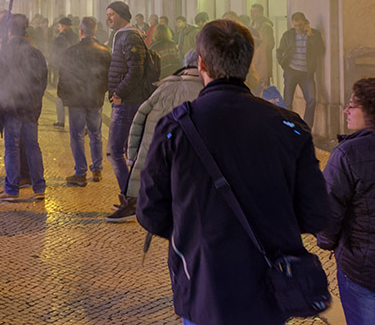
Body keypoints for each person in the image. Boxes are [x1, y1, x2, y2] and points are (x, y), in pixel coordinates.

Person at [137, 20, 329, 325]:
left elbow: (149, 212)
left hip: (204, 286)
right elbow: (317, 214)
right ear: (249, 64)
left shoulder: (176, 127)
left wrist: (195, 230)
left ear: (201, 64)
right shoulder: (288, 126)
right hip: (269, 287)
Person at [317, 78, 375, 325]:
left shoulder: (348, 154)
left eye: (351, 105)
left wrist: (328, 243)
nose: (345, 111)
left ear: (371, 110)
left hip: (365, 275)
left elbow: (326, 214)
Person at [125, 51, 203, 208]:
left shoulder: (165, 88)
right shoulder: (207, 92)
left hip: (154, 162)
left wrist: (133, 157)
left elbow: (138, 120)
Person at [0, 14, 48, 201]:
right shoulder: (36, 53)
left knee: (12, 148)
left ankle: (12, 189)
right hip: (30, 108)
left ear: (10, 30)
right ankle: (39, 188)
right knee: (32, 146)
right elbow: (42, 81)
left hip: (12, 108)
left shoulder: (5, 52)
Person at [104, 1, 148, 222]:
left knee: (114, 152)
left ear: (122, 15)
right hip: (124, 100)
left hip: (127, 102)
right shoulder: (122, 36)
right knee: (123, 150)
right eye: (107, 15)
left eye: (112, 14)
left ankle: (131, 200)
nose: (108, 18)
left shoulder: (129, 37)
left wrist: (119, 92)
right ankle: (131, 198)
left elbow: (136, 70)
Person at [57, 16, 111, 187]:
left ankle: (80, 172)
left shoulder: (70, 51)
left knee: (77, 135)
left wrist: (62, 95)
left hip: (76, 99)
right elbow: (109, 75)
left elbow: (64, 76)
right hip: (95, 98)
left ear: (81, 31)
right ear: (94, 31)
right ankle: (97, 169)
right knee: (96, 134)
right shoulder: (105, 51)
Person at [276, 12, 324, 128]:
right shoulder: (288, 35)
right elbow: (279, 50)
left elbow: (320, 51)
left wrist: (310, 34)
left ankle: (306, 128)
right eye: (295, 25)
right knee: (287, 101)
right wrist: (283, 64)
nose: (298, 28)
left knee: (312, 99)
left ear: (305, 23)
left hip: (307, 73)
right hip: (291, 71)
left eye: (300, 25)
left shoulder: (314, 34)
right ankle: (290, 127)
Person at [49, 17, 76, 129]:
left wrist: (55, 68)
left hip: (64, 70)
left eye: (59, 26)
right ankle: (74, 122)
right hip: (75, 71)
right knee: (74, 97)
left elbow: (56, 55)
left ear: (64, 26)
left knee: (60, 96)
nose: (58, 28)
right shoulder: (76, 36)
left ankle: (61, 121)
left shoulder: (60, 38)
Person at [250, 4, 275, 89]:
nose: (252, 14)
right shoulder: (251, 26)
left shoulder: (266, 27)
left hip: (263, 62)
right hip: (253, 62)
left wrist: (257, 42)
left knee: (263, 89)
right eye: (252, 11)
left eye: (255, 12)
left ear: (261, 13)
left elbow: (269, 44)